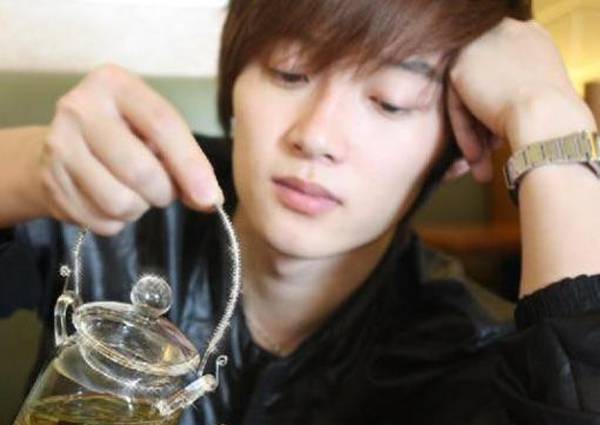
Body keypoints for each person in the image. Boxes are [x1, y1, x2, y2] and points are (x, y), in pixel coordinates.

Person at [2, 0, 600, 423]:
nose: (315, 136)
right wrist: (30, 164)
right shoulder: (122, 200)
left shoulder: (471, 347)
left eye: (390, 102)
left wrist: (547, 116)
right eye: (290, 71)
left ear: (459, 148)